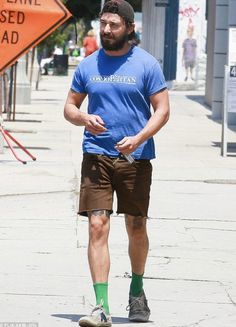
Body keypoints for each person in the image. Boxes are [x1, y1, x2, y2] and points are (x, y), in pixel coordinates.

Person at [64, 1, 170, 326]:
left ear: (129, 27)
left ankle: (137, 292)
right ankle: (101, 306)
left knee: (136, 227)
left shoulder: (146, 64)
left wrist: (138, 139)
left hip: (135, 158)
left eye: (114, 25)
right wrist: (83, 117)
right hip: (95, 156)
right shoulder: (88, 65)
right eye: (104, 23)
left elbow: (162, 110)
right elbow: (69, 107)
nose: (107, 30)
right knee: (97, 225)